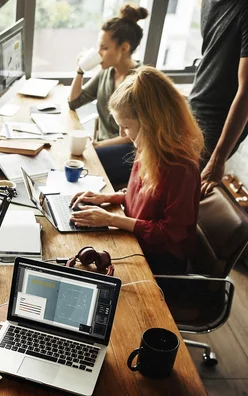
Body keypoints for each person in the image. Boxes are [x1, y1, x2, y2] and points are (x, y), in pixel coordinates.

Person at [70, 66, 204, 275]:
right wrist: (109, 198)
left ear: (151, 123)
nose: (123, 133)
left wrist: (111, 219)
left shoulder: (180, 169)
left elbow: (170, 234)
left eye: (126, 126)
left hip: (159, 262)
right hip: (136, 240)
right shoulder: (147, 147)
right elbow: (145, 199)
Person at [68, 4, 149, 188]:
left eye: (104, 48)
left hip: (130, 152)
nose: (98, 53)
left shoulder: (140, 81)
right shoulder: (107, 73)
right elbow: (73, 102)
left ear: (124, 48)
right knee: (76, 158)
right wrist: (80, 69)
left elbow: (136, 135)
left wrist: (96, 146)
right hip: (102, 146)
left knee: (81, 165)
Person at [188, 0, 248, 196]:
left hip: (218, 123)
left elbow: (246, 91)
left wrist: (218, 159)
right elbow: (213, 57)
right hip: (194, 107)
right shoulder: (207, 2)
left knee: (176, 195)